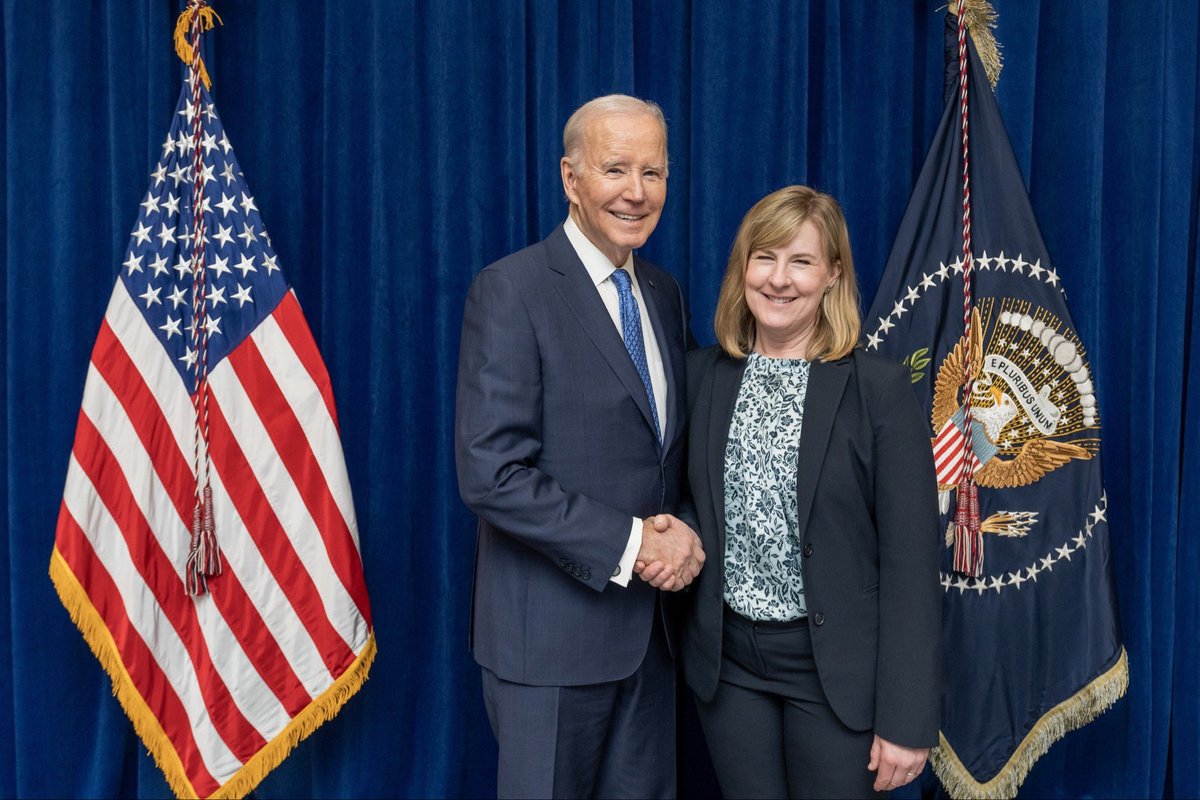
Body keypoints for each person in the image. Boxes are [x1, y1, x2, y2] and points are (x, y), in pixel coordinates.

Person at [455, 95, 704, 799]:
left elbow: (671, 451)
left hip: (653, 640)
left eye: (653, 172)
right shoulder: (512, 289)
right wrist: (634, 543)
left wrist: (684, 531)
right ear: (571, 178)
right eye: (615, 169)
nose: (636, 192)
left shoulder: (663, 292)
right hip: (550, 649)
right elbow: (491, 472)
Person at [669, 185, 940, 798]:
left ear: (832, 274)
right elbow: (689, 498)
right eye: (764, 257)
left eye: (801, 261)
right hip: (729, 670)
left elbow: (911, 563)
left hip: (835, 672)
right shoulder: (701, 377)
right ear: (742, 268)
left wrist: (907, 719)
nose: (778, 279)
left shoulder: (878, 391)